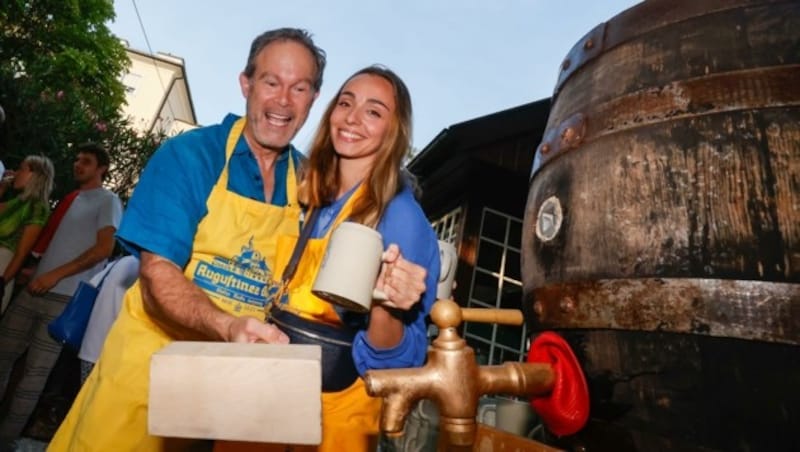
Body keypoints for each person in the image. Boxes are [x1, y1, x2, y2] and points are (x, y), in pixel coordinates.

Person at [50, 28, 430, 452]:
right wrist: (226, 325)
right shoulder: (191, 156)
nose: (283, 101)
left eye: (299, 88)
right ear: (246, 84)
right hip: (151, 373)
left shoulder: (307, 184)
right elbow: (158, 276)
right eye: (271, 82)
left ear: (312, 98)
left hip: (244, 395)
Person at [222, 65, 440, 452]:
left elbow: (394, 364)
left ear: (395, 131)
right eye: (345, 103)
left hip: (335, 412)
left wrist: (386, 305)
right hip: (269, 385)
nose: (353, 118)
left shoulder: (399, 216)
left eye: (374, 112)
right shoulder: (310, 197)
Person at [0, 143, 122, 444]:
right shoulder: (71, 199)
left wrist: (55, 275)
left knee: (33, 377)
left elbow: (104, 249)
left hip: (64, 298)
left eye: (87, 162)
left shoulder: (107, 200)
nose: (78, 165)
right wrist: (36, 269)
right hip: (35, 289)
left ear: (102, 168)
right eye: (77, 160)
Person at [0, 155, 54, 313]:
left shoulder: (38, 207)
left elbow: (22, 253)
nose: (16, 173)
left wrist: (2, 282)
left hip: (3, 266)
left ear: (35, 175)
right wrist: (3, 187)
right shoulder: (16, 203)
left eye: (21, 169)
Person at [76, 255, 139, 383]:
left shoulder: (120, 262)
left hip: (91, 347)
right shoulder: (141, 267)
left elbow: (94, 283)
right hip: (113, 354)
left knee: (85, 399)